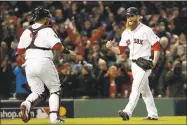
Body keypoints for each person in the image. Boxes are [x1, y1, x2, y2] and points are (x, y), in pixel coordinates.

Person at [16, 6, 75, 123]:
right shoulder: (47, 30)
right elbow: (57, 46)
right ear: (45, 18)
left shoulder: (26, 31)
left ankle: (26, 104)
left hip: (29, 64)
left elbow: (20, 51)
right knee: (55, 90)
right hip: (44, 61)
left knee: (38, 92)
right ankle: (54, 118)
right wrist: (68, 51)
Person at [106, 7, 160, 120]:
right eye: (128, 16)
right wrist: (111, 48)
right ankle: (153, 114)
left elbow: (156, 46)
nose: (130, 18)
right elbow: (120, 51)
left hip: (145, 63)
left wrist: (154, 61)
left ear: (137, 16)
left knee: (136, 87)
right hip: (134, 64)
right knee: (145, 91)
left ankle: (127, 112)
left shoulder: (146, 30)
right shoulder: (126, 33)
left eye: (132, 15)